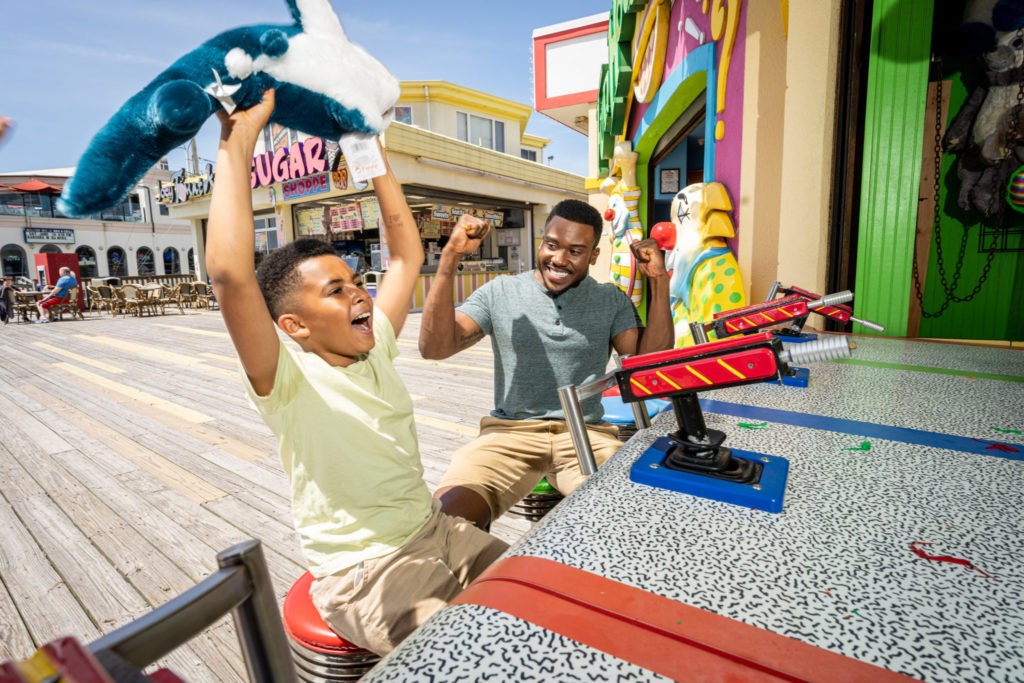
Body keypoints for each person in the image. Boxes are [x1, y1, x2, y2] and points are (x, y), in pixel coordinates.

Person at [204, 89, 507, 656]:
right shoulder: (286, 377)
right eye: (335, 290)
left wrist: (369, 149)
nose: (359, 294)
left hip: (437, 531)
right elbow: (229, 273)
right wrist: (238, 138)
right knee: (477, 656)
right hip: (366, 573)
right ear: (293, 325)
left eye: (355, 281)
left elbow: (405, 257)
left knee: (543, 599)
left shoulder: (376, 345)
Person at [419, 200, 674, 530]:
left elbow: (645, 367)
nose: (559, 259)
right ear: (542, 241)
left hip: (586, 433)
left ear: (594, 256)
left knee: (627, 516)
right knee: (449, 522)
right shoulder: (501, 291)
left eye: (575, 251)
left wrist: (658, 280)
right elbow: (434, 348)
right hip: (509, 433)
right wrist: (449, 259)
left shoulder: (610, 299)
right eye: (552, 245)